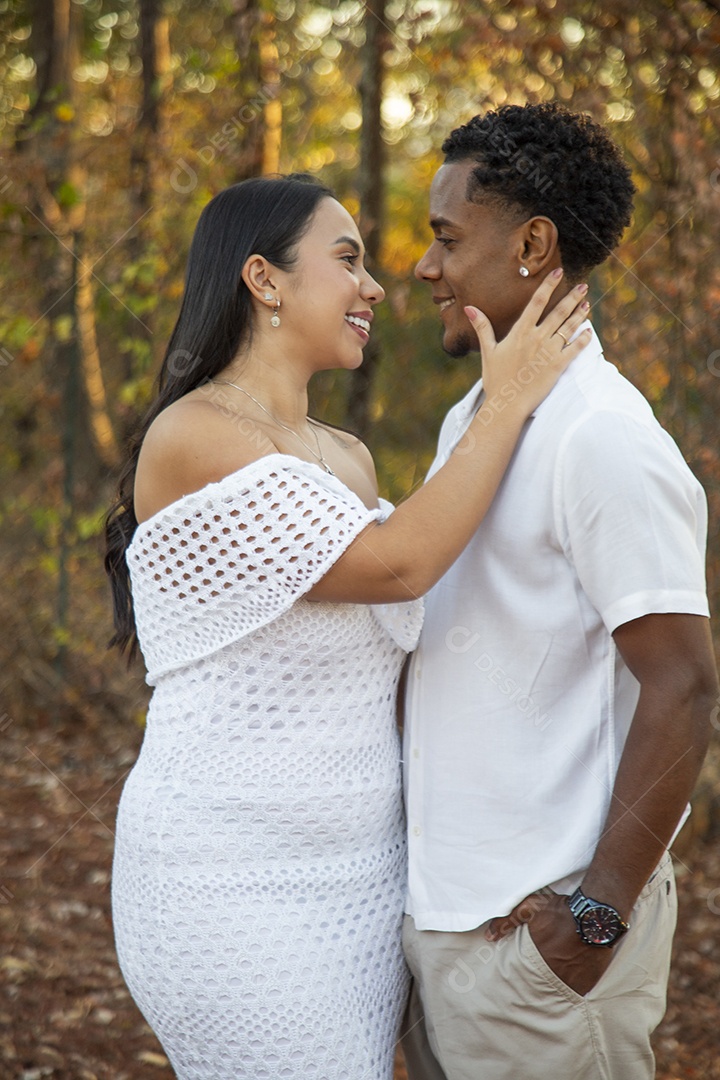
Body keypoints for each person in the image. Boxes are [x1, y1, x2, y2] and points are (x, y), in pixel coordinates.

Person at [104, 172, 589, 1079]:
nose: (376, 285)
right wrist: (509, 399)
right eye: (348, 260)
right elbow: (399, 564)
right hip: (228, 879)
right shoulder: (194, 433)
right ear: (264, 279)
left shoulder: (347, 456)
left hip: (363, 879)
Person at [400, 103, 719, 1080]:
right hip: (451, 935)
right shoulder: (477, 420)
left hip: (546, 955)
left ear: (532, 246)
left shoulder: (603, 438)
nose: (425, 268)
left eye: (447, 238)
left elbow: (686, 687)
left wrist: (593, 919)